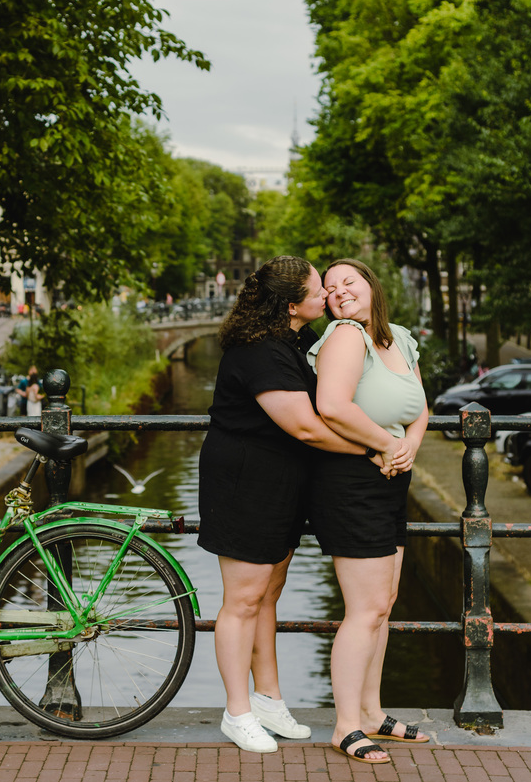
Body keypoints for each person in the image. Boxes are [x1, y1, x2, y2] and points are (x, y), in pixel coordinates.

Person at [198, 255, 383, 755]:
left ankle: (268, 699)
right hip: (244, 481)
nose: (326, 295)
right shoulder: (259, 350)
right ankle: (237, 712)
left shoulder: (292, 341)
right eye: (317, 290)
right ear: (291, 304)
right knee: (241, 600)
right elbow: (304, 426)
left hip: (279, 481)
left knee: (269, 591)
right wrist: (374, 449)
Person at [307, 258, 430, 764]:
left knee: (385, 602)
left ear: (371, 286)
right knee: (364, 610)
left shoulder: (399, 337)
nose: (339, 292)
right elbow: (332, 406)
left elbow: (420, 407)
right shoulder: (343, 337)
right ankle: (346, 725)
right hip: (351, 481)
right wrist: (384, 445)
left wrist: (409, 449)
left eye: (348, 282)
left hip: (391, 477)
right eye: (330, 288)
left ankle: (374, 711)